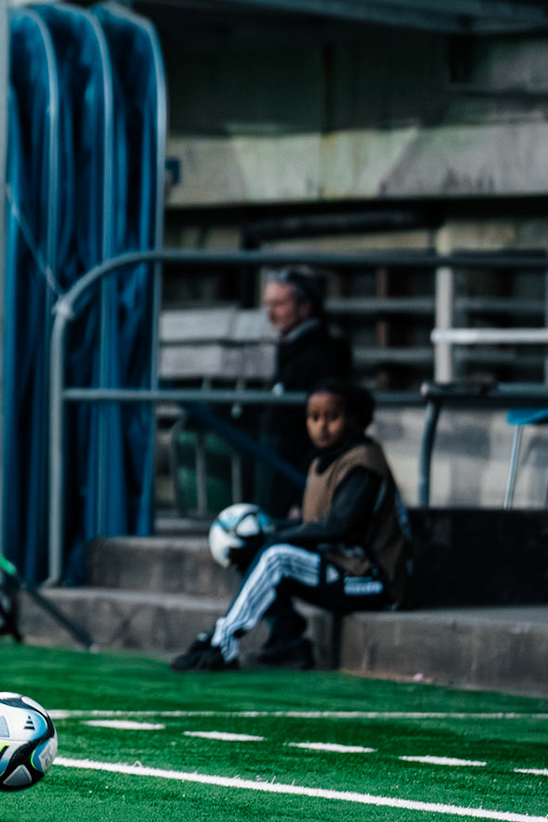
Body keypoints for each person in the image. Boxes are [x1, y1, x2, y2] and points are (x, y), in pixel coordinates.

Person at [174, 381, 411, 672]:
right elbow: (314, 524)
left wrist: (276, 535)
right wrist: (270, 530)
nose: (321, 426)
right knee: (248, 547)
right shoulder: (320, 461)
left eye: (332, 417)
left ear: (354, 419)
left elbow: (339, 526)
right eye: (314, 418)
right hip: (342, 566)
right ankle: (288, 643)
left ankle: (222, 642)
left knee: (276, 554)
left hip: (373, 580)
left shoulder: (363, 462)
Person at [257, 269, 352, 518]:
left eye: (279, 304)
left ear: (304, 307)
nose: (271, 312)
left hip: (298, 478)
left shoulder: (322, 356)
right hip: (281, 471)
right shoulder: (289, 349)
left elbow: (324, 433)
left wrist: (300, 498)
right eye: (268, 303)